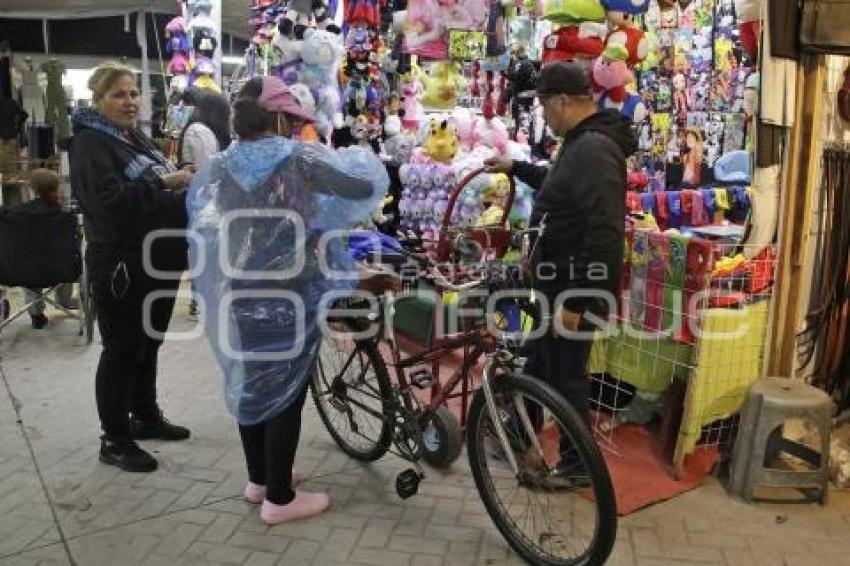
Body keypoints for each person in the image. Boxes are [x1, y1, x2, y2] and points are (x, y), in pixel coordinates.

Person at [188, 76, 386, 524]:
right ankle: (279, 498)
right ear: (279, 116)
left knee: (255, 379)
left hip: (240, 289)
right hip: (290, 290)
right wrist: (344, 164)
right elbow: (360, 188)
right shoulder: (299, 157)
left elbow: (206, 218)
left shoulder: (219, 164)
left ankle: (260, 479)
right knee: (288, 392)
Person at [484, 61, 637, 419]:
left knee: (567, 379)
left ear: (563, 101)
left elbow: (606, 233)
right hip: (559, 284)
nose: (543, 115)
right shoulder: (581, 142)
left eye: (543, 105)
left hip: (573, 289)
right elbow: (559, 188)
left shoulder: (593, 149)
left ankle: (574, 467)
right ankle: (522, 435)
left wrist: (578, 301)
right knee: (540, 364)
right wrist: (516, 168)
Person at [70, 61, 194, 473]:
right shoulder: (90, 144)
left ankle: (144, 415)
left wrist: (181, 179)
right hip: (122, 261)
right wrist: (164, 182)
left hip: (158, 257)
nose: (129, 101)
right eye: (118, 94)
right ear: (99, 99)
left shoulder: (132, 137)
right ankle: (115, 439)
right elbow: (108, 205)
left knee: (150, 342)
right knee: (122, 348)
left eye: (133, 93)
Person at [176, 89, 231, 317]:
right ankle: (201, 301)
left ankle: (202, 299)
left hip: (204, 199)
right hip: (203, 200)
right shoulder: (200, 131)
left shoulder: (199, 130)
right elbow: (202, 169)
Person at [21, 168, 76, 329]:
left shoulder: (16, 215)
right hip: (59, 270)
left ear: (32, 188)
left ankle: (35, 313)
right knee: (68, 256)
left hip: (23, 269)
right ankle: (64, 300)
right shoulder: (64, 216)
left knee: (29, 264)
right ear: (55, 187)